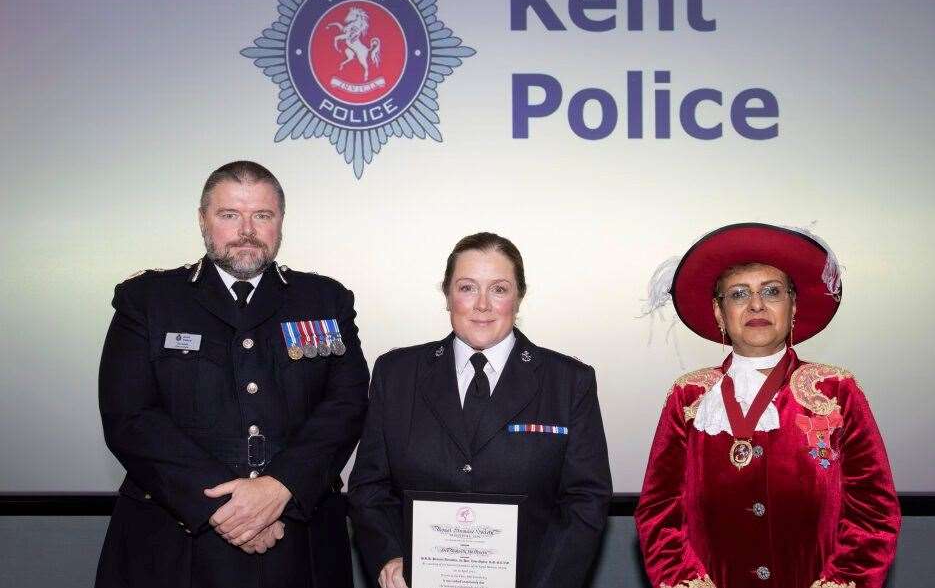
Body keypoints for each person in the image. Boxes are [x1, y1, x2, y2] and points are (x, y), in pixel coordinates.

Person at [95, 161, 370, 588]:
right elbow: (130, 417)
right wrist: (232, 508)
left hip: (299, 539)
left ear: (280, 222)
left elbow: (347, 406)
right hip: (175, 544)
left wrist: (280, 487)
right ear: (203, 220)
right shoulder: (148, 300)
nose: (247, 230)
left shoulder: (325, 299)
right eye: (230, 215)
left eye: (262, 215)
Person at [635, 223, 900, 588]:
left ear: (793, 307)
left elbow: (874, 513)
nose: (756, 304)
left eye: (772, 291)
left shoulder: (838, 390)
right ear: (718, 313)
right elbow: (658, 513)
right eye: (739, 294)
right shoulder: (688, 396)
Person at [348, 232, 613, 588]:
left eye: (499, 289)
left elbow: (585, 501)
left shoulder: (569, 382)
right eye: (468, 287)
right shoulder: (396, 374)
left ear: (519, 297)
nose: (483, 305)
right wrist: (388, 555)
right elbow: (370, 487)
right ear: (447, 295)